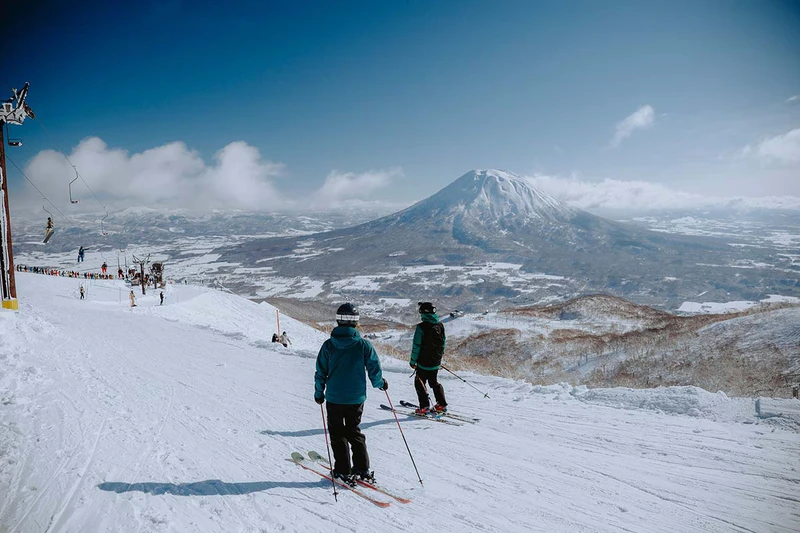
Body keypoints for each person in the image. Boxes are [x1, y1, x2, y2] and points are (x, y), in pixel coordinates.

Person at [314, 303, 387, 485]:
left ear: (338, 320)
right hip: (356, 398)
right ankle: (362, 469)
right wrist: (380, 384)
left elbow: (320, 371)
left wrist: (318, 392)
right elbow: (374, 368)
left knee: (338, 434)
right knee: (354, 431)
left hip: (334, 398)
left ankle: (343, 470)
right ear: (356, 322)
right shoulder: (363, 345)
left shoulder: (329, 345)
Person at [409, 301, 448, 415]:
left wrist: (412, 361)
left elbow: (416, 346)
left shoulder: (421, 327)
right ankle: (442, 404)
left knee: (419, 382)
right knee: (434, 382)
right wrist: (439, 358)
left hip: (423, 362)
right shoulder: (440, 325)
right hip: (436, 361)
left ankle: (424, 407)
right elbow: (443, 343)